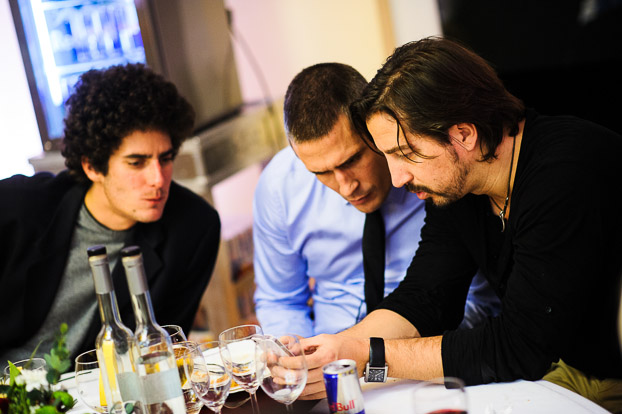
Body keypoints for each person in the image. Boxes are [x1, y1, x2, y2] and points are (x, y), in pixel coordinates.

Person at [299, 38, 622, 412]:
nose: (397, 178)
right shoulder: (458, 186)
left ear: (463, 134)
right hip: (568, 365)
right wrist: (335, 351)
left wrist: (371, 358)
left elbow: (520, 346)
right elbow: (426, 297)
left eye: (405, 154)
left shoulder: (565, 173)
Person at [253, 62, 500, 338]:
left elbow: (480, 302)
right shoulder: (279, 186)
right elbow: (280, 301)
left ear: (373, 127)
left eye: (352, 160)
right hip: (330, 350)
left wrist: (393, 352)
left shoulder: (438, 173)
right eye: (321, 173)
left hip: (429, 342)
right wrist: (299, 353)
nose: (346, 186)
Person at [0, 63, 221, 364]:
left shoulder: (193, 229)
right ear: (92, 166)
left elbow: (157, 354)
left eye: (166, 158)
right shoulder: (17, 208)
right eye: (136, 163)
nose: (158, 179)